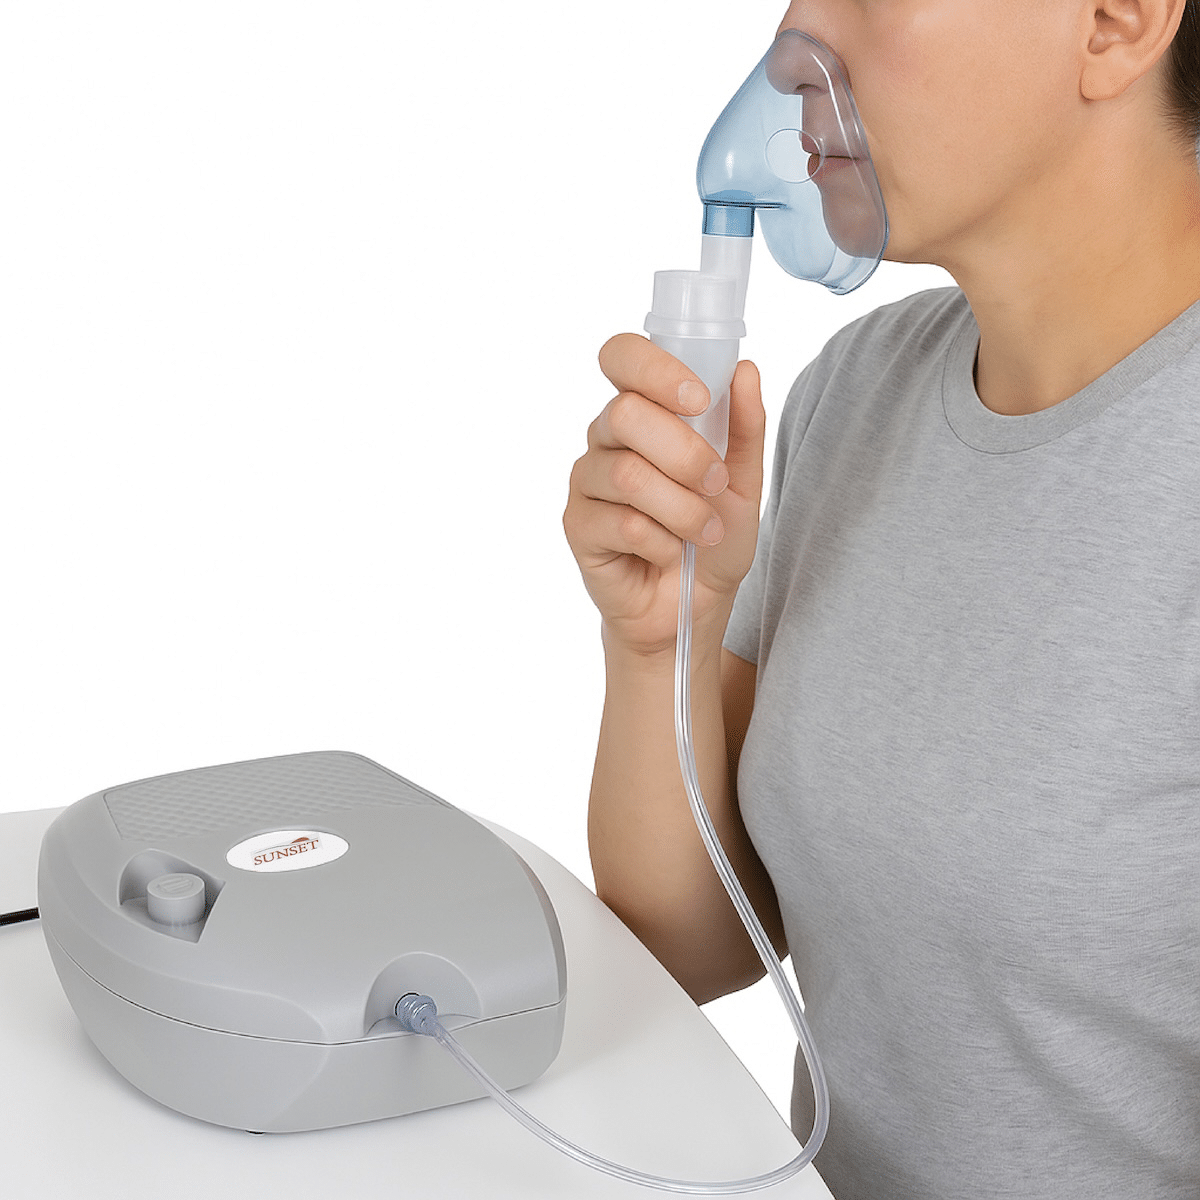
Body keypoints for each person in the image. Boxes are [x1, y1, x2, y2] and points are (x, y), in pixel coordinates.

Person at [562, 1, 1200, 1197]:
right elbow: (696, 942)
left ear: (1117, 22)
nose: (797, 39)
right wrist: (664, 642)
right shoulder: (861, 392)